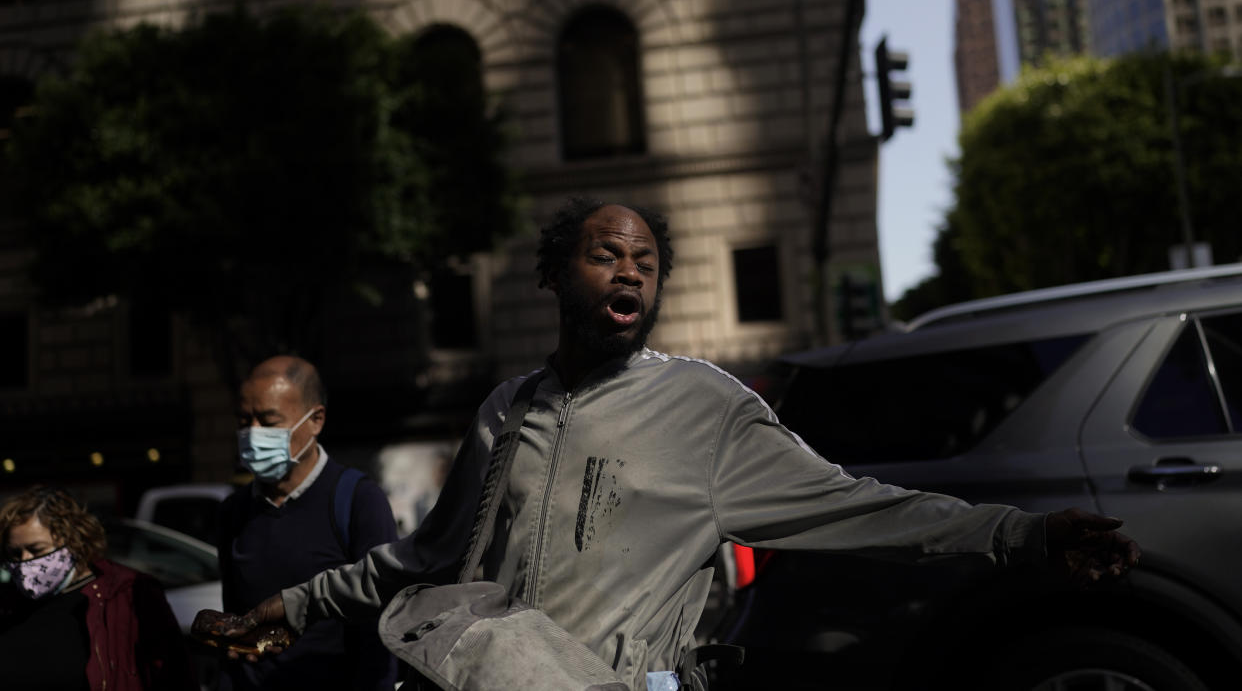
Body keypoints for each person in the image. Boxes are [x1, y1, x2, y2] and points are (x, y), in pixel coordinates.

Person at [198, 198, 1140, 690]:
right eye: (607, 253)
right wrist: (287, 605)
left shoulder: (708, 408)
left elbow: (863, 506)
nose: (631, 271)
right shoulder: (500, 412)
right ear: (558, 275)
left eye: (646, 261)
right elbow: (420, 558)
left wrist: (1018, 536)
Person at [216, 355, 399, 691]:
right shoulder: (234, 512)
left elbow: (382, 628)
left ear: (315, 420)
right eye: (244, 421)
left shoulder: (359, 501)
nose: (252, 434)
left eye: (269, 422)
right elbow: (236, 619)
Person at [0, 485, 195, 691]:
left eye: (36, 549)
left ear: (73, 539)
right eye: (15, 553)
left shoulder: (126, 593)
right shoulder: (9, 603)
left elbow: (174, 674)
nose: (24, 562)